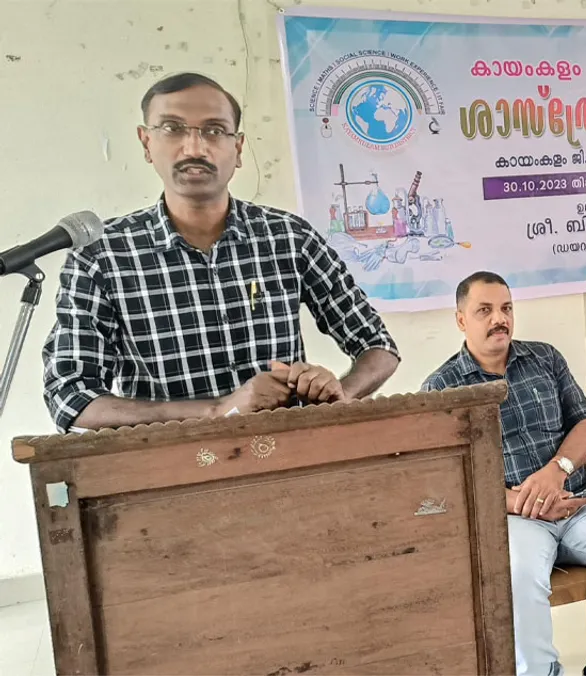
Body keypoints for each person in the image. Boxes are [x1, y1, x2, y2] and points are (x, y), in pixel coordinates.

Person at [42, 72, 399, 433]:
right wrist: (217, 410)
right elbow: (71, 398)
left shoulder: (288, 237)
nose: (195, 148)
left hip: (289, 459)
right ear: (146, 143)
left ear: (238, 148)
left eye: (214, 130)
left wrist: (338, 396)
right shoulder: (103, 255)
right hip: (170, 472)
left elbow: (378, 346)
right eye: (172, 128)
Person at [423, 271, 586, 676]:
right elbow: (442, 479)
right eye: (484, 310)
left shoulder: (544, 358)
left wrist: (557, 471)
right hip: (511, 519)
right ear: (460, 320)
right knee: (517, 579)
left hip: (577, 504)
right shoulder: (441, 388)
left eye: (505, 308)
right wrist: (518, 500)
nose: (498, 318)